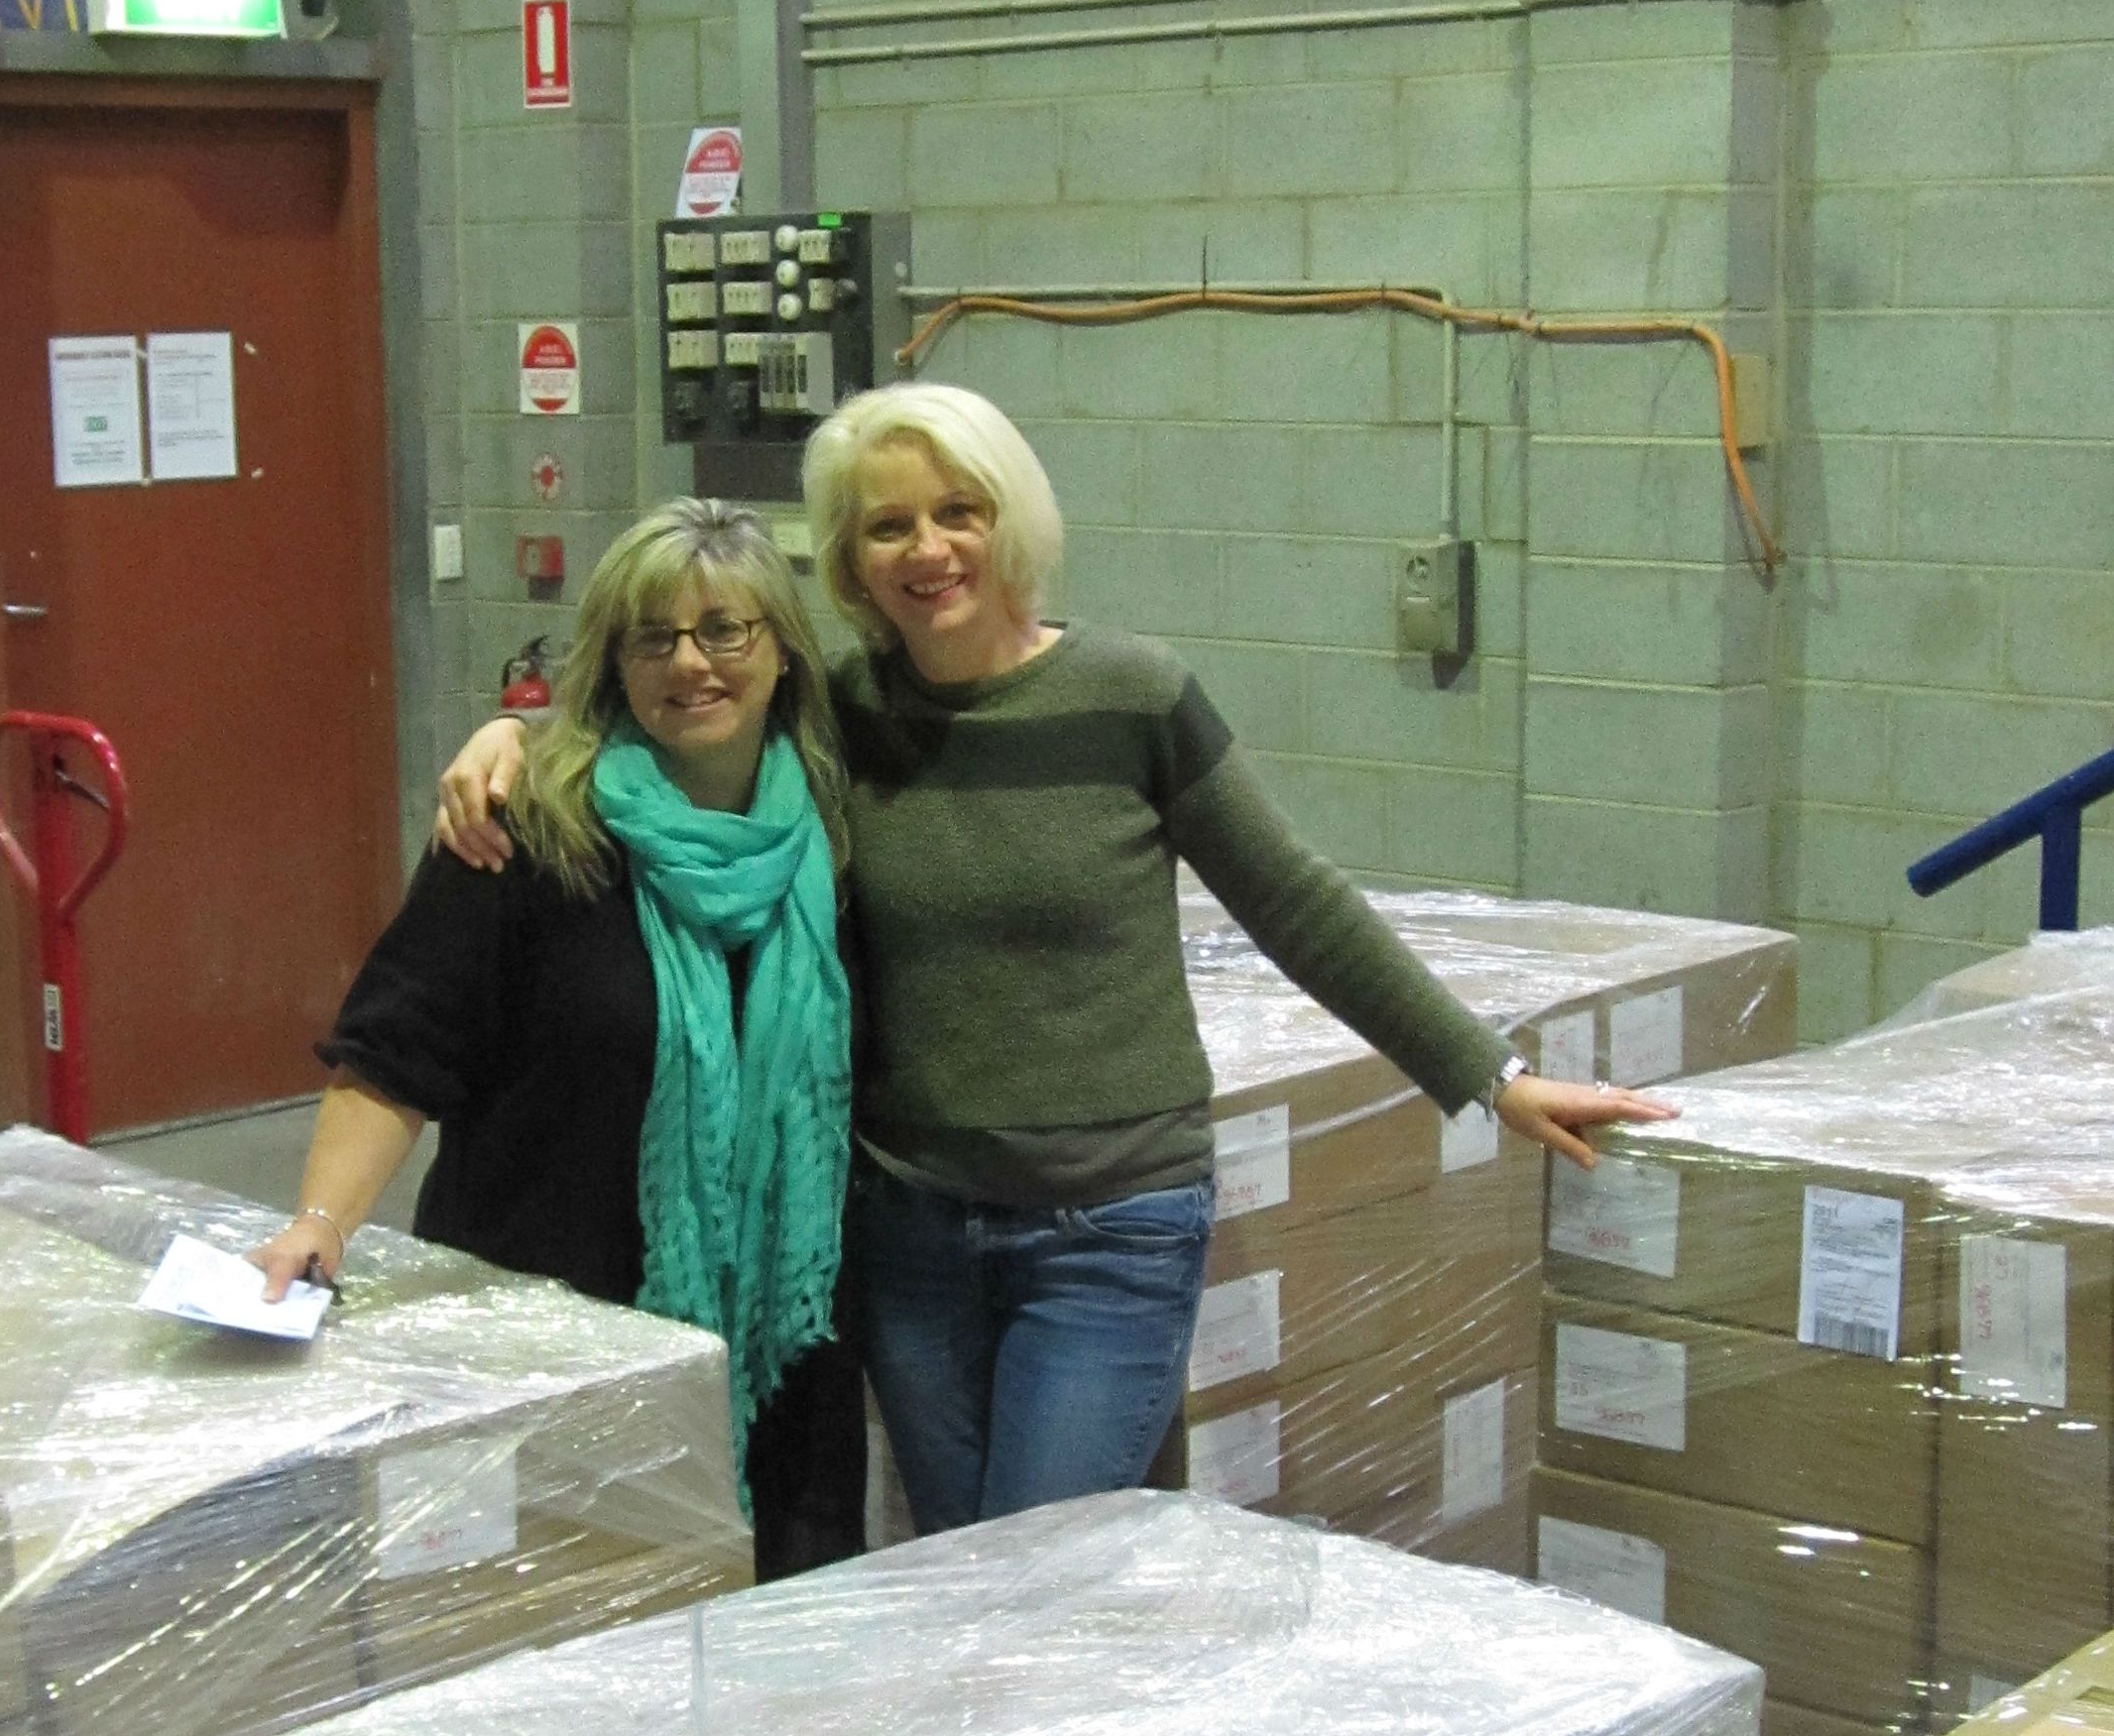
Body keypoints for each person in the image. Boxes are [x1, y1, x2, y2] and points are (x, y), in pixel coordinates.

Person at [434, 386, 1674, 1538]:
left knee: (1037, 1566)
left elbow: (1297, 900)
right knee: (959, 1565)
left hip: (1110, 1228)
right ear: (851, 558)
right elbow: (674, 700)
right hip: (912, 1227)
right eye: (888, 526)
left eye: (958, 512)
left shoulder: (1133, 695)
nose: (929, 551)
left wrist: (1491, 1075)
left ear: (1010, 519)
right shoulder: (845, 718)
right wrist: (515, 733)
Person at [255, 499, 863, 1580]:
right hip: (557, 1333)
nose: (692, 663)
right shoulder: (529, 827)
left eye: (726, 630)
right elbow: (398, 1048)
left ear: (782, 652)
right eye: (653, 637)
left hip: (782, 1341)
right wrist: (320, 1222)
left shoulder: (833, 829)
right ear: (613, 662)